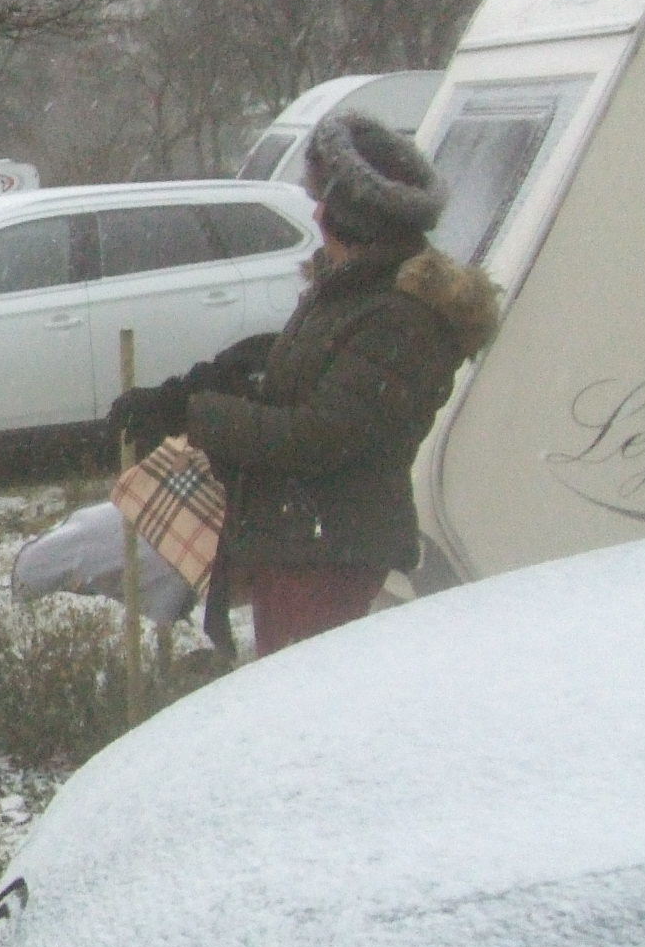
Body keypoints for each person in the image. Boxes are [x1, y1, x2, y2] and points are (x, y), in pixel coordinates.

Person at [125, 113, 498, 658]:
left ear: (357, 218)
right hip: (302, 537)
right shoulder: (351, 293)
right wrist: (199, 388)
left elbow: (320, 436)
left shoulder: (398, 317)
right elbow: (301, 379)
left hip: (332, 547)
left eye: (326, 201)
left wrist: (197, 415)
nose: (317, 214)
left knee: (303, 686)